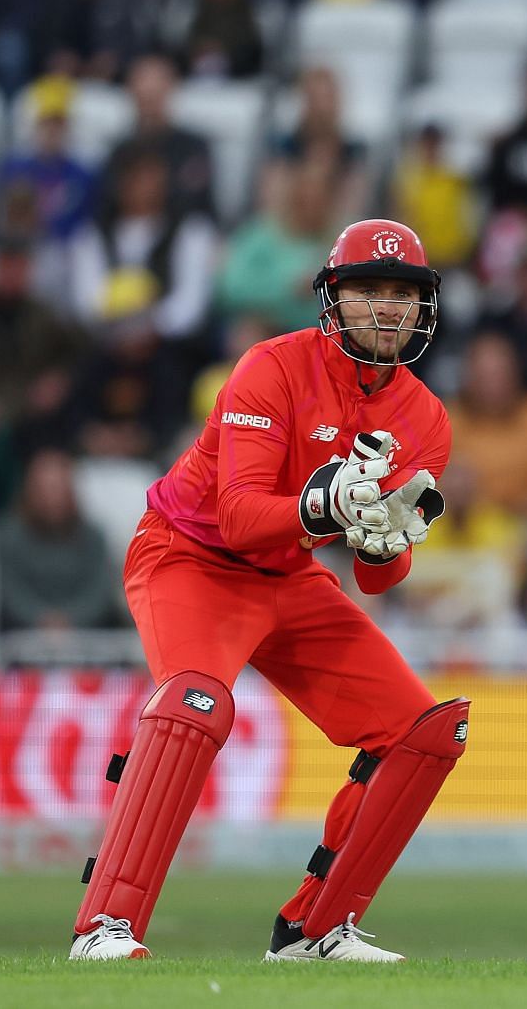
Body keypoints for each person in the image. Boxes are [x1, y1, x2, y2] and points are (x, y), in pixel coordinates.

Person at [68, 219, 462, 963]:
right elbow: (241, 516)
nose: (387, 308)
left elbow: (380, 578)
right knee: (195, 702)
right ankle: (105, 926)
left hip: (290, 575)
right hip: (192, 555)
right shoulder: (271, 368)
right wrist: (333, 507)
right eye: (368, 291)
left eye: (402, 294)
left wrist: (386, 539)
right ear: (333, 301)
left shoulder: (427, 418)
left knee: (424, 729)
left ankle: (316, 930)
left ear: (423, 308)